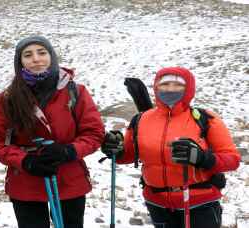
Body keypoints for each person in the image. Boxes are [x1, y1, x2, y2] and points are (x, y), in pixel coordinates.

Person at [0, 35, 104, 228]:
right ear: (20, 61)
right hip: (25, 179)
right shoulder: (8, 99)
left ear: (52, 56)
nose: (36, 59)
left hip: (68, 176)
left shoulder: (76, 91)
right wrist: (24, 161)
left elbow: (94, 132)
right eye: (28, 55)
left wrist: (69, 151)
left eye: (42, 52)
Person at [101, 66, 241, 228]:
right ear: (156, 87)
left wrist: (202, 158)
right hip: (157, 203)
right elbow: (128, 155)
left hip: (199, 203)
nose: (170, 89)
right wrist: (115, 151)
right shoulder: (141, 120)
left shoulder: (205, 119)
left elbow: (233, 160)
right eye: (165, 84)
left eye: (178, 85)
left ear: (189, 88)